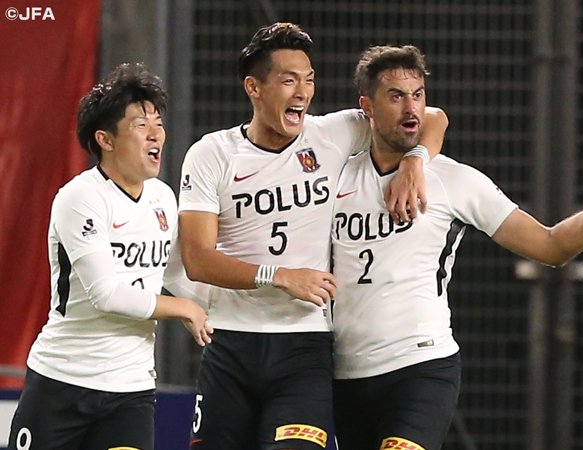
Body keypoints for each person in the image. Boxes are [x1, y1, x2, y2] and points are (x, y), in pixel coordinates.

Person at [329, 44, 583, 450]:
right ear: (366, 108)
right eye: (395, 96)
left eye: (418, 95)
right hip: (343, 371)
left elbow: (552, 246)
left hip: (420, 365)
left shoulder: (453, 181)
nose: (411, 108)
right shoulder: (334, 176)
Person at [166, 23, 446, 449]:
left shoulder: (331, 133)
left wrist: (415, 160)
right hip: (231, 345)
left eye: (309, 79)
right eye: (288, 80)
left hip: (305, 346)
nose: (303, 92)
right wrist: (278, 276)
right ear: (254, 88)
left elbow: (431, 117)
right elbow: (198, 259)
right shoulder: (212, 154)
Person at [7, 63, 212, 450]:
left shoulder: (162, 197)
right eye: (140, 125)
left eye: (158, 123)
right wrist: (184, 309)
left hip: (130, 392)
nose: (155, 134)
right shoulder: (80, 197)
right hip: (62, 383)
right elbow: (107, 294)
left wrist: (224, 309)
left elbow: (173, 274)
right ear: (105, 139)